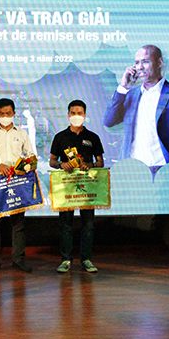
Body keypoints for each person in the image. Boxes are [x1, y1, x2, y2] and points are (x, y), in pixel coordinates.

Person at [103, 44, 169, 173]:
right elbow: (109, 120)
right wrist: (123, 87)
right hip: (132, 169)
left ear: (159, 63)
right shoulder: (130, 95)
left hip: (164, 170)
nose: (140, 67)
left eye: (145, 61)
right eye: (136, 63)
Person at [49, 100, 104, 273]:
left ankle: (86, 259)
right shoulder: (60, 137)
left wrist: (90, 165)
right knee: (66, 225)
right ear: (68, 115)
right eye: (73, 113)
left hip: (87, 188)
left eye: (79, 113)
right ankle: (66, 259)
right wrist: (61, 165)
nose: (76, 116)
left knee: (88, 225)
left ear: (85, 115)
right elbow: (52, 161)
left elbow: (100, 162)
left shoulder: (92, 137)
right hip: (66, 187)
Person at [0, 98, 35, 273]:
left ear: (14, 114)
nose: (5, 116)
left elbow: (31, 156)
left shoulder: (22, 134)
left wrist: (23, 166)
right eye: (1, 114)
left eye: (8, 113)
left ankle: (18, 259)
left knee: (18, 223)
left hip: (17, 181)